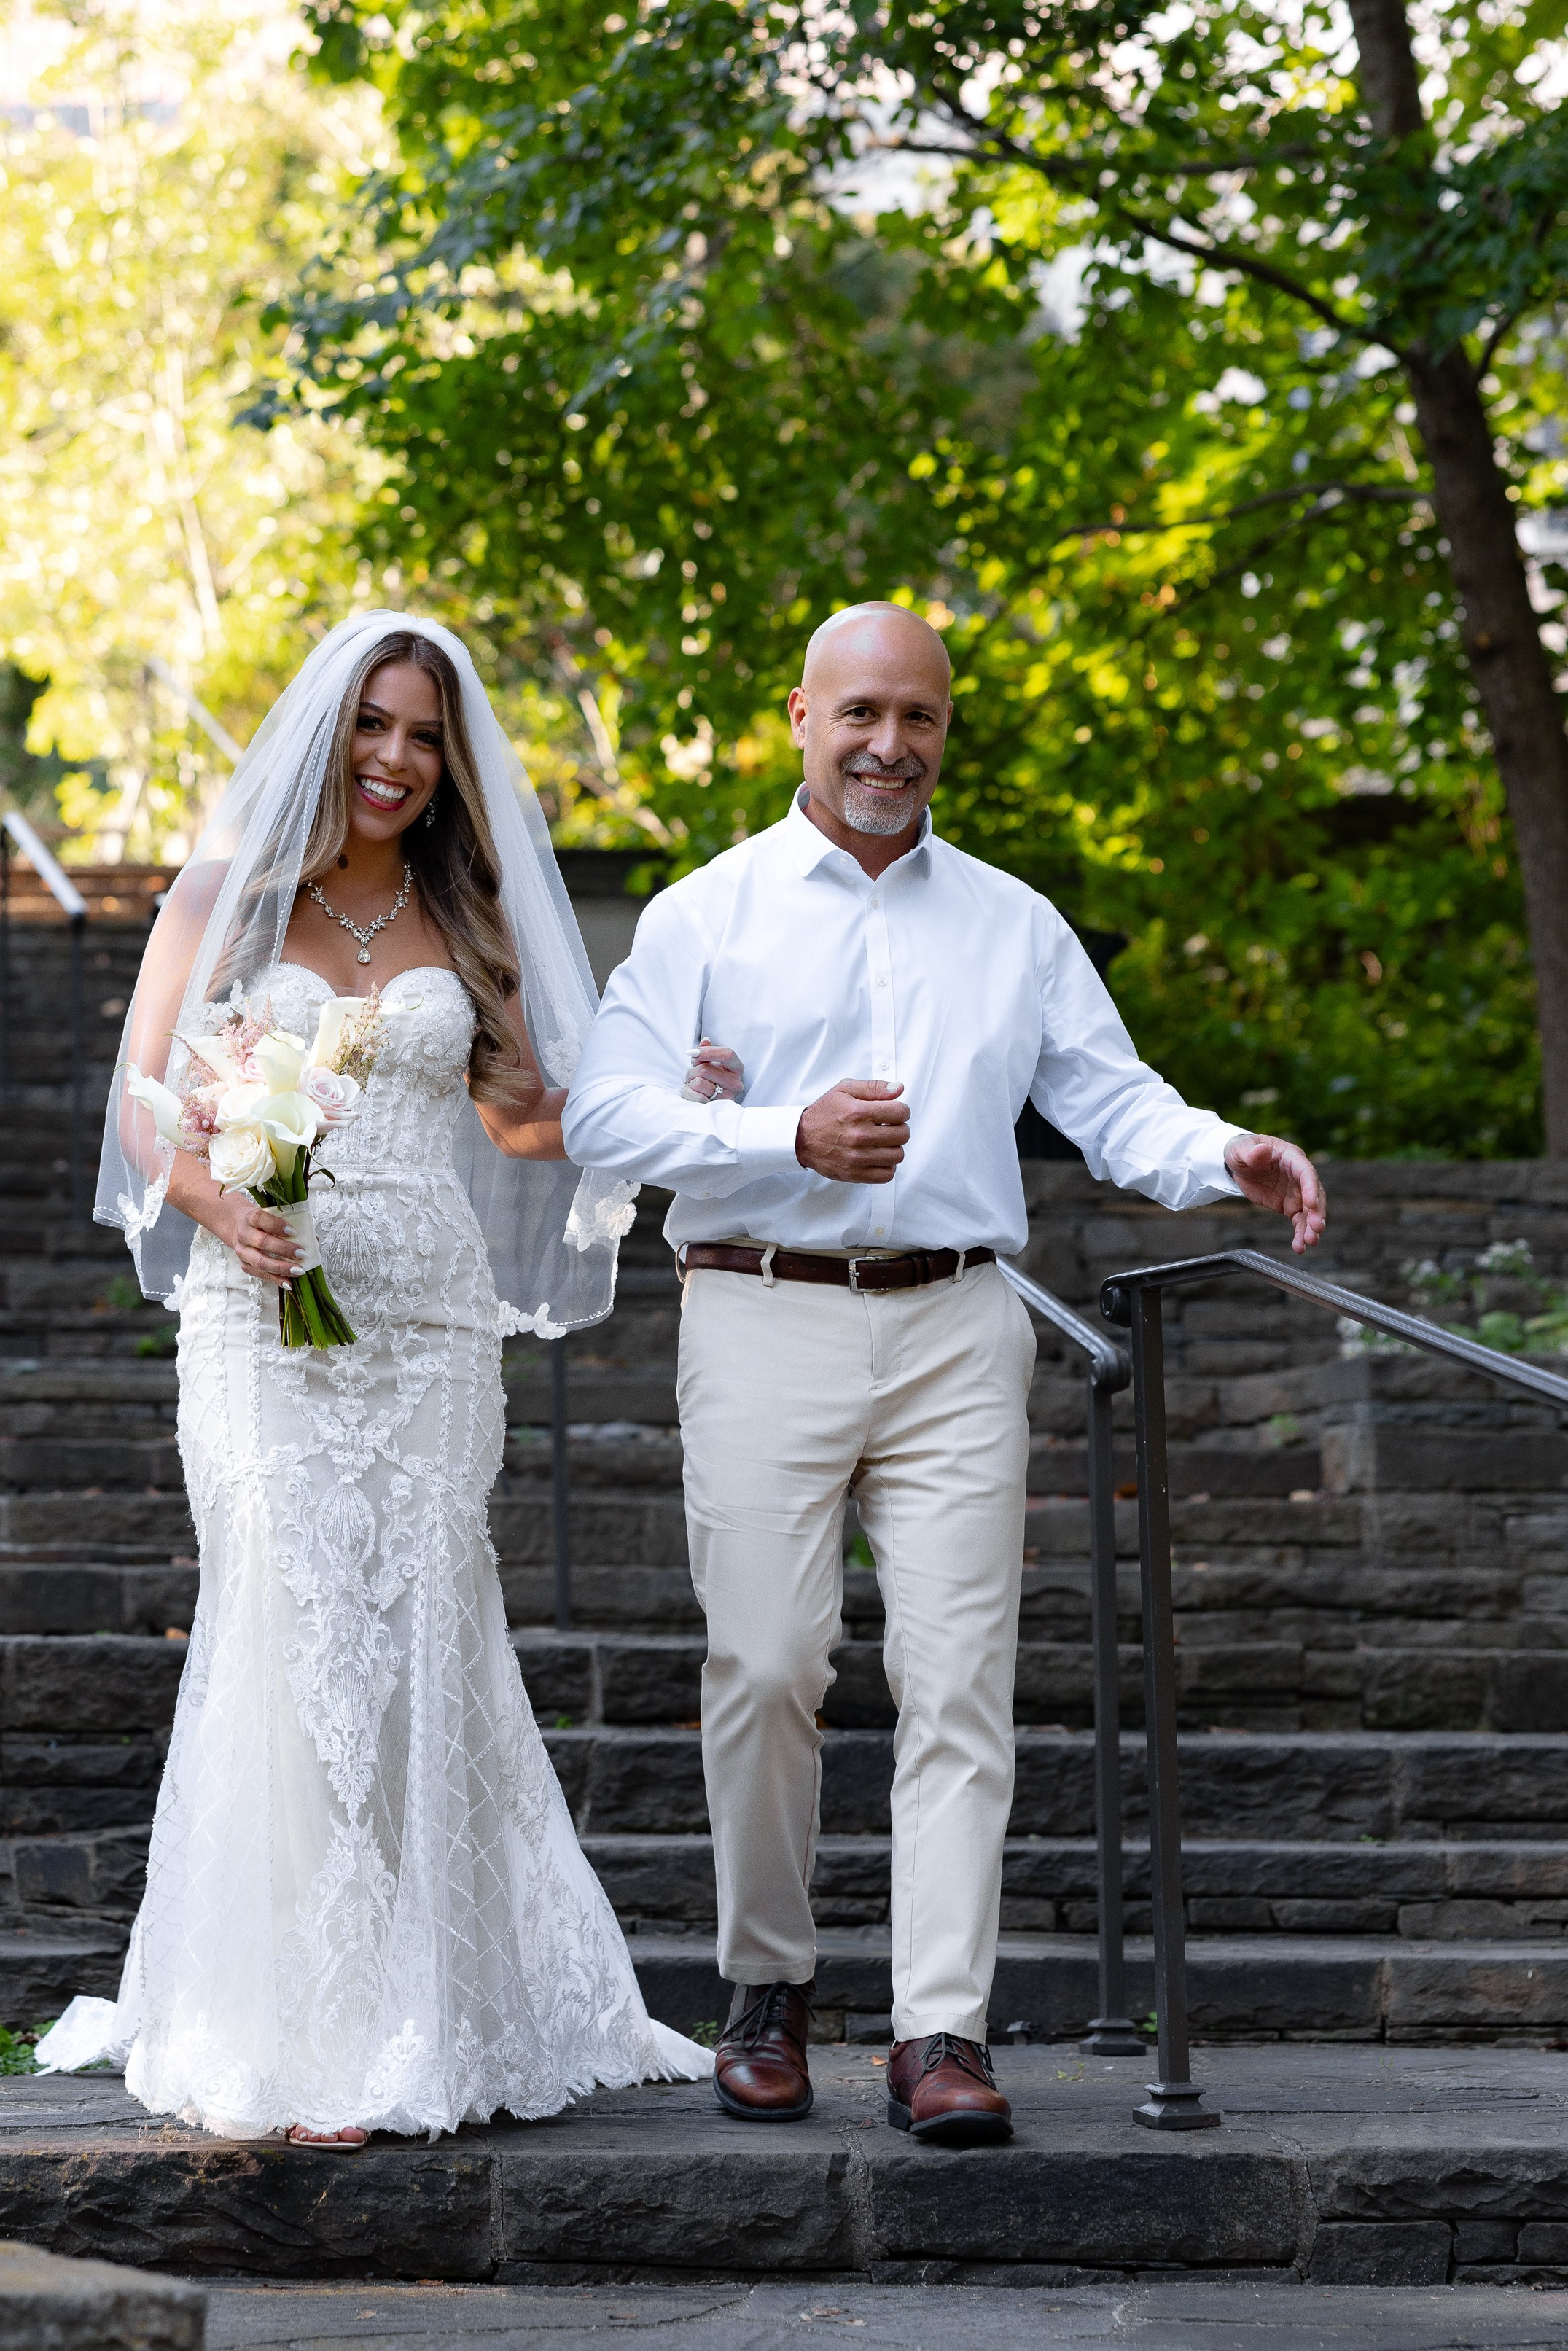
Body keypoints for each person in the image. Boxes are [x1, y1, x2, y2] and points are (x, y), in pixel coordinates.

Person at [563, 601, 1326, 2147]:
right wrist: (779, 1133)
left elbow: (1111, 1103)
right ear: (798, 715)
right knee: (768, 1664)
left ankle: (937, 2031)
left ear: (943, 730)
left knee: (960, 1682)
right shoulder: (701, 914)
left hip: (958, 1325)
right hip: (759, 1307)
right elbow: (603, 1116)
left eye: (915, 717)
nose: (886, 744)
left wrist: (1220, 1151)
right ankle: (765, 1989)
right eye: (858, 712)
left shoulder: (1010, 921)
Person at [34, 611, 714, 2140]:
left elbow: (532, 1124)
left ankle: (416, 2007)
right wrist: (219, 1199)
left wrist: (670, 1091)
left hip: (426, 1324)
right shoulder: (216, 901)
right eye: (374, 727)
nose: (396, 759)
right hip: (258, 1316)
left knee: (416, 1631)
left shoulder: (455, 920)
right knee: (287, 1614)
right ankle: (286, 2015)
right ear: (325, 735)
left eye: (423, 736)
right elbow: (147, 1108)